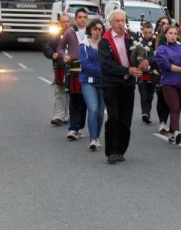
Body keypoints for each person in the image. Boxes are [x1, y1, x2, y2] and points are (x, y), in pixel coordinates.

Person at [99, 9, 147, 164]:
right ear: (111, 23)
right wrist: (126, 70)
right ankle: (111, 151)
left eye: (122, 21)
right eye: (117, 21)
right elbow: (106, 65)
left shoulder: (131, 38)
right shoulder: (105, 41)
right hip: (111, 84)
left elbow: (143, 51)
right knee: (114, 117)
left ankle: (121, 150)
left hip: (127, 84)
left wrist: (144, 62)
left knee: (125, 118)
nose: (120, 24)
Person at [154, 25, 181, 144]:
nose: (173, 36)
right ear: (165, 35)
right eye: (170, 33)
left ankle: (171, 132)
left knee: (177, 110)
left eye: (175, 34)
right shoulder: (161, 49)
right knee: (174, 107)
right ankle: (176, 131)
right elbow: (165, 65)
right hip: (169, 83)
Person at [57, 8, 89, 141]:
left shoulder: (91, 32)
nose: (82, 19)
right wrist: (64, 55)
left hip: (88, 70)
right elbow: (59, 47)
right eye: (80, 17)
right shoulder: (70, 33)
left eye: (85, 17)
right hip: (74, 69)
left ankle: (79, 126)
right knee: (74, 99)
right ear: (75, 19)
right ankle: (73, 128)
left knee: (85, 101)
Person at [79, 19, 106, 150]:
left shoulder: (105, 45)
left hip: (103, 83)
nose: (97, 32)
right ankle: (93, 139)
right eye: (95, 29)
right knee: (93, 109)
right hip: (88, 81)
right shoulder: (84, 45)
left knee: (101, 113)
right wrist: (101, 72)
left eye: (100, 29)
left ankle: (97, 137)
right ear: (90, 30)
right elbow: (84, 64)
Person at [43, 15, 71, 126]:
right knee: (59, 91)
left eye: (68, 21)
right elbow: (47, 47)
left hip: (74, 68)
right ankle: (59, 116)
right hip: (60, 67)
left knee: (71, 93)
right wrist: (52, 54)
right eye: (63, 22)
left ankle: (67, 116)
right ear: (59, 24)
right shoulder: (55, 36)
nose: (66, 24)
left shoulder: (75, 35)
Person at [153, 17, 171, 132]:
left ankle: (166, 120)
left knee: (168, 98)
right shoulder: (155, 38)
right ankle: (162, 121)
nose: (164, 25)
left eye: (167, 23)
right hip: (157, 71)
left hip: (169, 71)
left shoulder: (173, 37)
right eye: (162, 23)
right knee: (161, 98)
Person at [137, 22, 157, 124]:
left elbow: (157, 56)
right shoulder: (138, 42)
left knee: (150, 95)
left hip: (152, 72)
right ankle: (145, 113)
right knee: (143, 94)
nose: (148, 35)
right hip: (142, 72)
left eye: (150, 32)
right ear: (143, 32)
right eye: (146, 33)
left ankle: (147, 111)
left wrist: (150, 61)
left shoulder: (156, 42)